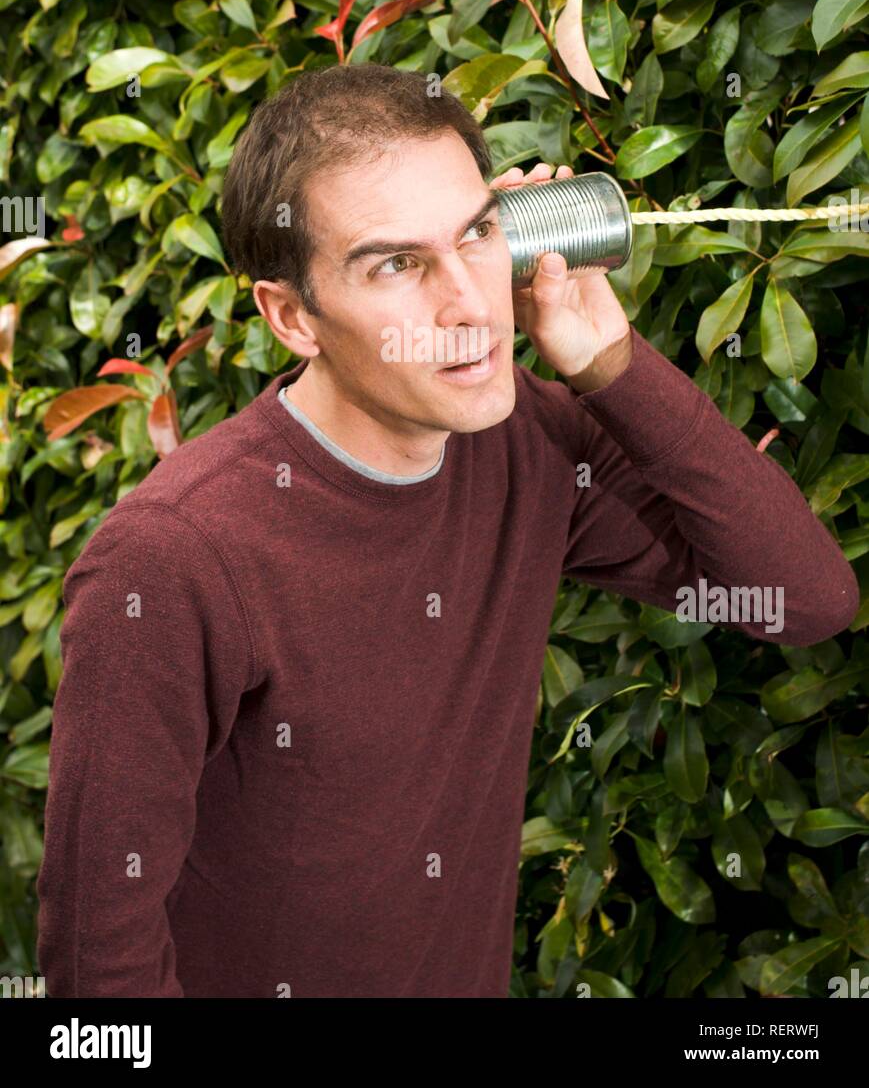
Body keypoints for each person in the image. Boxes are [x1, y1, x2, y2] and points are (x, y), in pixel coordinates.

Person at [36, 63, 859, 998]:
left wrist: (610, 366)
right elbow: (97, 969)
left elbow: (809, 601)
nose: (468, 304)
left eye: (475, 235)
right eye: (396, 264)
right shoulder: (174, 557)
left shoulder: (536, 447)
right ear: (292, 317)